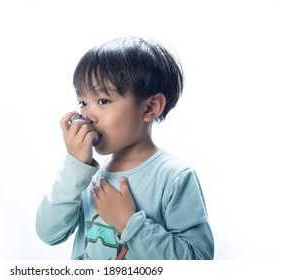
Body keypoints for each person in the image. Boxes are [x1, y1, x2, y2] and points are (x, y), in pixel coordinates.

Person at [35, 36, 214, 260]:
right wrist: (75, 165)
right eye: (83, 102)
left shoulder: (174, 177)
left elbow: (198, 260)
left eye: (103, 101)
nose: (88, 116)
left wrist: (129, 223)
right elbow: (49, 233)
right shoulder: (86, 175)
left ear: (150, 107)